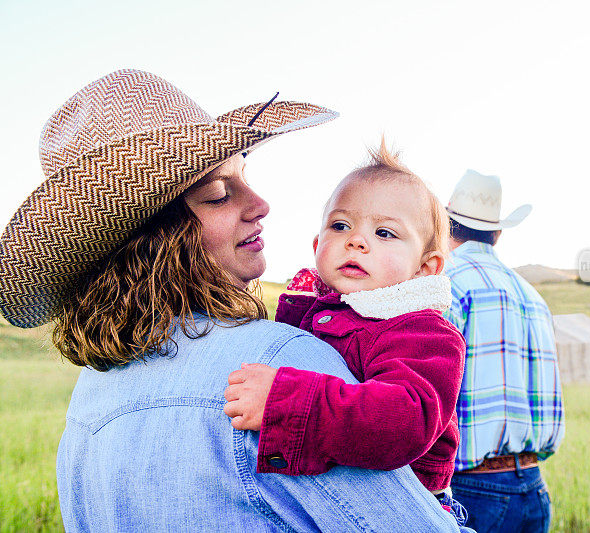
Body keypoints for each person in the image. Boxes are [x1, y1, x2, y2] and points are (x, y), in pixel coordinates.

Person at [0, 69, 467, 532]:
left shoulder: (86, 403)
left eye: (244, 177)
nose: (260, 202)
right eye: (219, 195)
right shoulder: (280, 365)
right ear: (159, 237)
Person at [222, 142, 468, 524]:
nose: (356, 240)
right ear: (319, 245)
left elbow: (405, 420)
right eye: (340, 226)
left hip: (400, 508)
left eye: (385, 233)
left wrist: (285, 401)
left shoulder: (423, 332)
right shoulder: (312, 308)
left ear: (425, 268)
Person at [442, 170, 565, 533]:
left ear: (447, 225)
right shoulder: (532, 296)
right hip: (534, 486)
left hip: (472, 491)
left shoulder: (448, 283)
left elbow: (436, 387)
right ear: (497, 233)